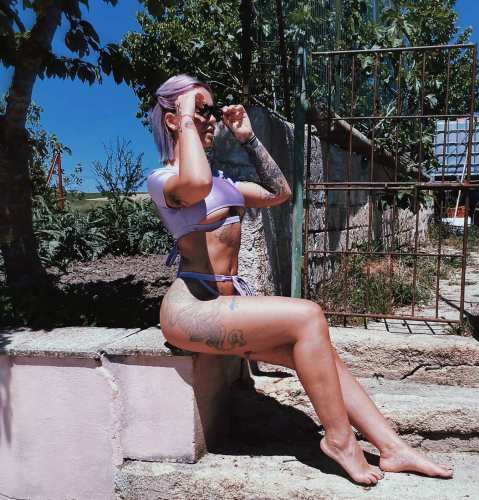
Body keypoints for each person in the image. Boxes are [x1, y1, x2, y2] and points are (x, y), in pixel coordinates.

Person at [146, 74, 453, 486]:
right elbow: (195, 183)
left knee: (318, 352)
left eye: (210, 110)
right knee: (308, 315)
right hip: (191, 309)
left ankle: (392, 447)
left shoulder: (224, 184)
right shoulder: (164, 181)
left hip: (222, 305)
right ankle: (339, 440)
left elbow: (279, 192)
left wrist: (248, 139)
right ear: (173, 119)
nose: (212, 118)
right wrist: (186, 114)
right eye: (203, 109)